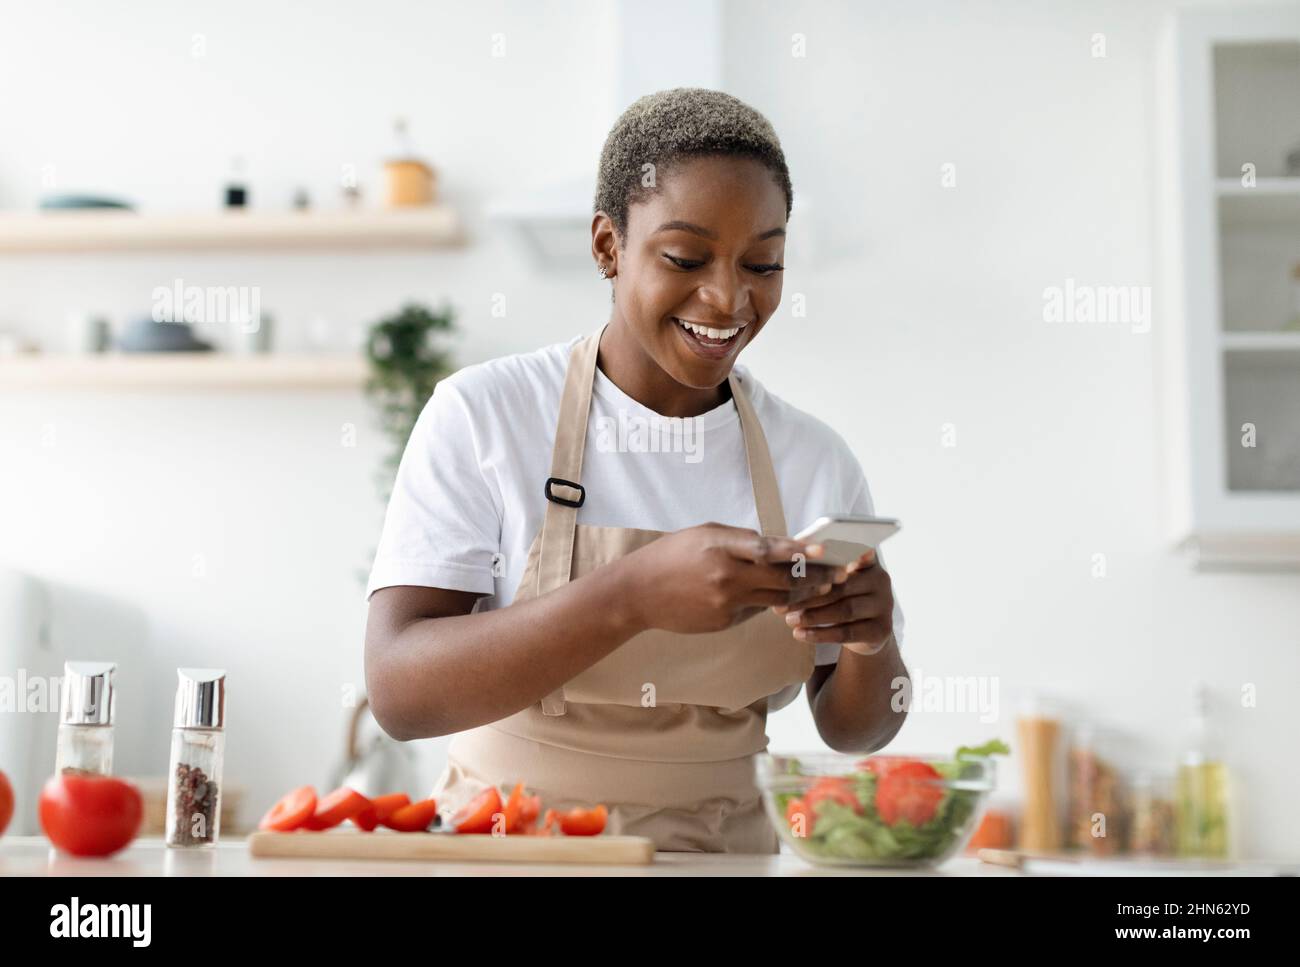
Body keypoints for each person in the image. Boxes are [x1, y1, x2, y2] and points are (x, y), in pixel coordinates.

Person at [364, 88, 907, 852]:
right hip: (508, 851)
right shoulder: (486, 414)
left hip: (727, 859)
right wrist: (630, 594)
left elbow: (858, 728)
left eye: (763, 263)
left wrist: (870, 642)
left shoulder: (812, 459)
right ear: (608, 246)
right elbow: (398, 691)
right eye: (685, 257)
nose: (728, 297)